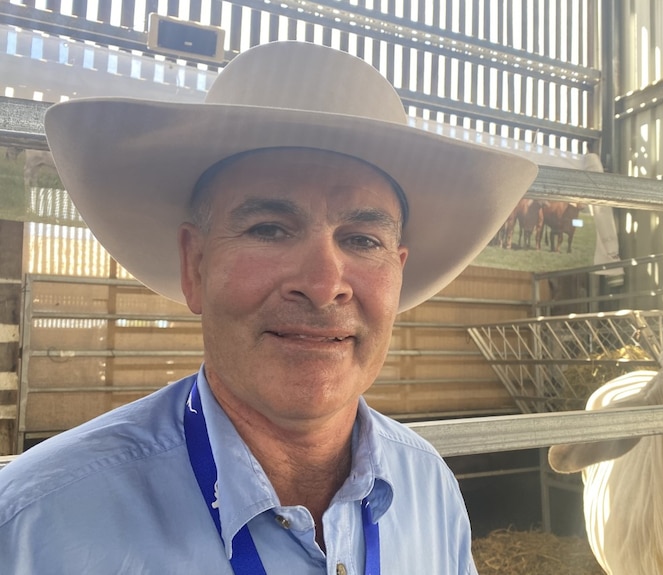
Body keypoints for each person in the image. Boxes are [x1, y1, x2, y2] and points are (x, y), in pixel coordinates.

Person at [0, 41, 537, 573]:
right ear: (196, 265)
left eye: (362, 240)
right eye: (269, 229)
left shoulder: (431, 491)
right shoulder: (37, 526)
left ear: (398, 270)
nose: (324, 285)